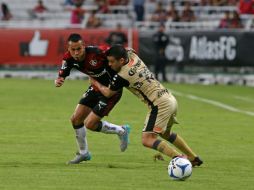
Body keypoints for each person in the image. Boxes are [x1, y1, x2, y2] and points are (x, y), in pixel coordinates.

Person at [90, 45, 203, 167]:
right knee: (165, 133)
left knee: (147, 139)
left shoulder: (122, 76)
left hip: (159, 104)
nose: (110, 64)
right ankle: (193, 157)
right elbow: (129, 49)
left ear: (121, 60)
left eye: (112, 62)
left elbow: (108, 93)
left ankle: (180, 160)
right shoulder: (133, 56)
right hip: (169, 98)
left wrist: (95, 82)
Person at [55, 34, 130, 164]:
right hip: (95, 87)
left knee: (90, 124)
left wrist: (128, 51)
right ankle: (84, 153)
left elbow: (115, 52)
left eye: (79, 49)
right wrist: (59, 80)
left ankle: (121, 130)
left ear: (84, 46)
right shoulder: (68, 58)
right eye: (73, 50)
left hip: (111, 91)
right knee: (76, 119)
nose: (76, 53)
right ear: (69, 49)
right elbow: (62, 73)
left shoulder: (97, 52)